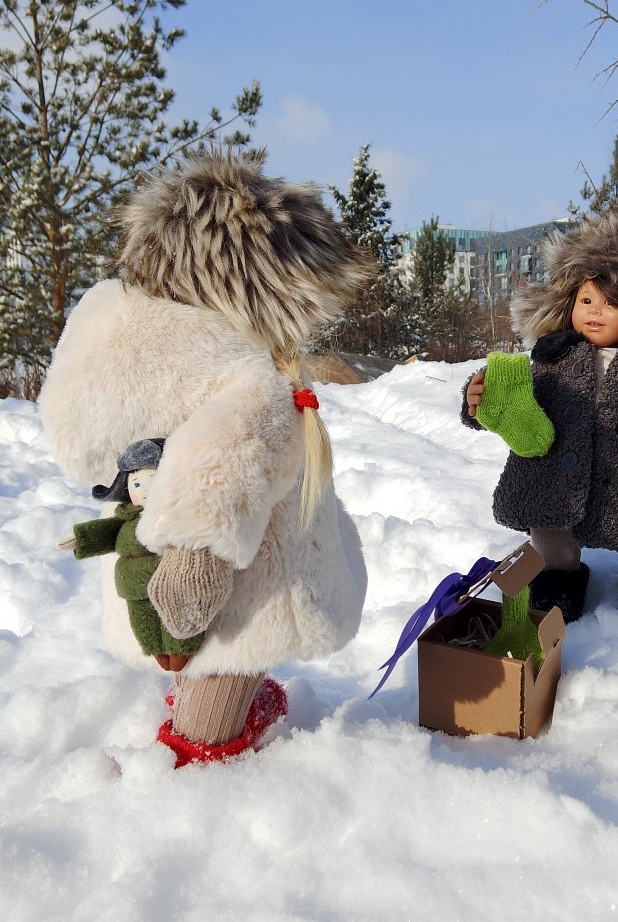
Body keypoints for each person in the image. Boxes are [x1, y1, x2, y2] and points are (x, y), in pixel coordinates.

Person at [41, 151, 372, 764]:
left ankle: (219, 737)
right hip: (225, 589)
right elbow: (218, 480)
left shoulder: (119, 322)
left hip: (191, 571)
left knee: (200, 688)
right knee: (209, 707)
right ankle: (212, 755)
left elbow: (82, 432)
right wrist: (194, 575)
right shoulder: (242, 372)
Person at [462, 212, 618, 650]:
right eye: (586, 300)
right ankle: (557, 580)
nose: (596, 312)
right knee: (550, 541)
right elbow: (517, 399)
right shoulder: (551, 362)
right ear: (567, 303)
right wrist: (483, 398)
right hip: (553, 479)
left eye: (613, 303)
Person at [59, 438, 205, 673]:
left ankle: (181, 649)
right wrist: (83, 539)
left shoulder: (175, 517)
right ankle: (157, 650)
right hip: (133, 587)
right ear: (127, 487)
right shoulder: (125, 519)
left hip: (171, 584)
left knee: (177, 617)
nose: (146, 491)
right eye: (138, 484)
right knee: (144, 623)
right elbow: (106, 533)